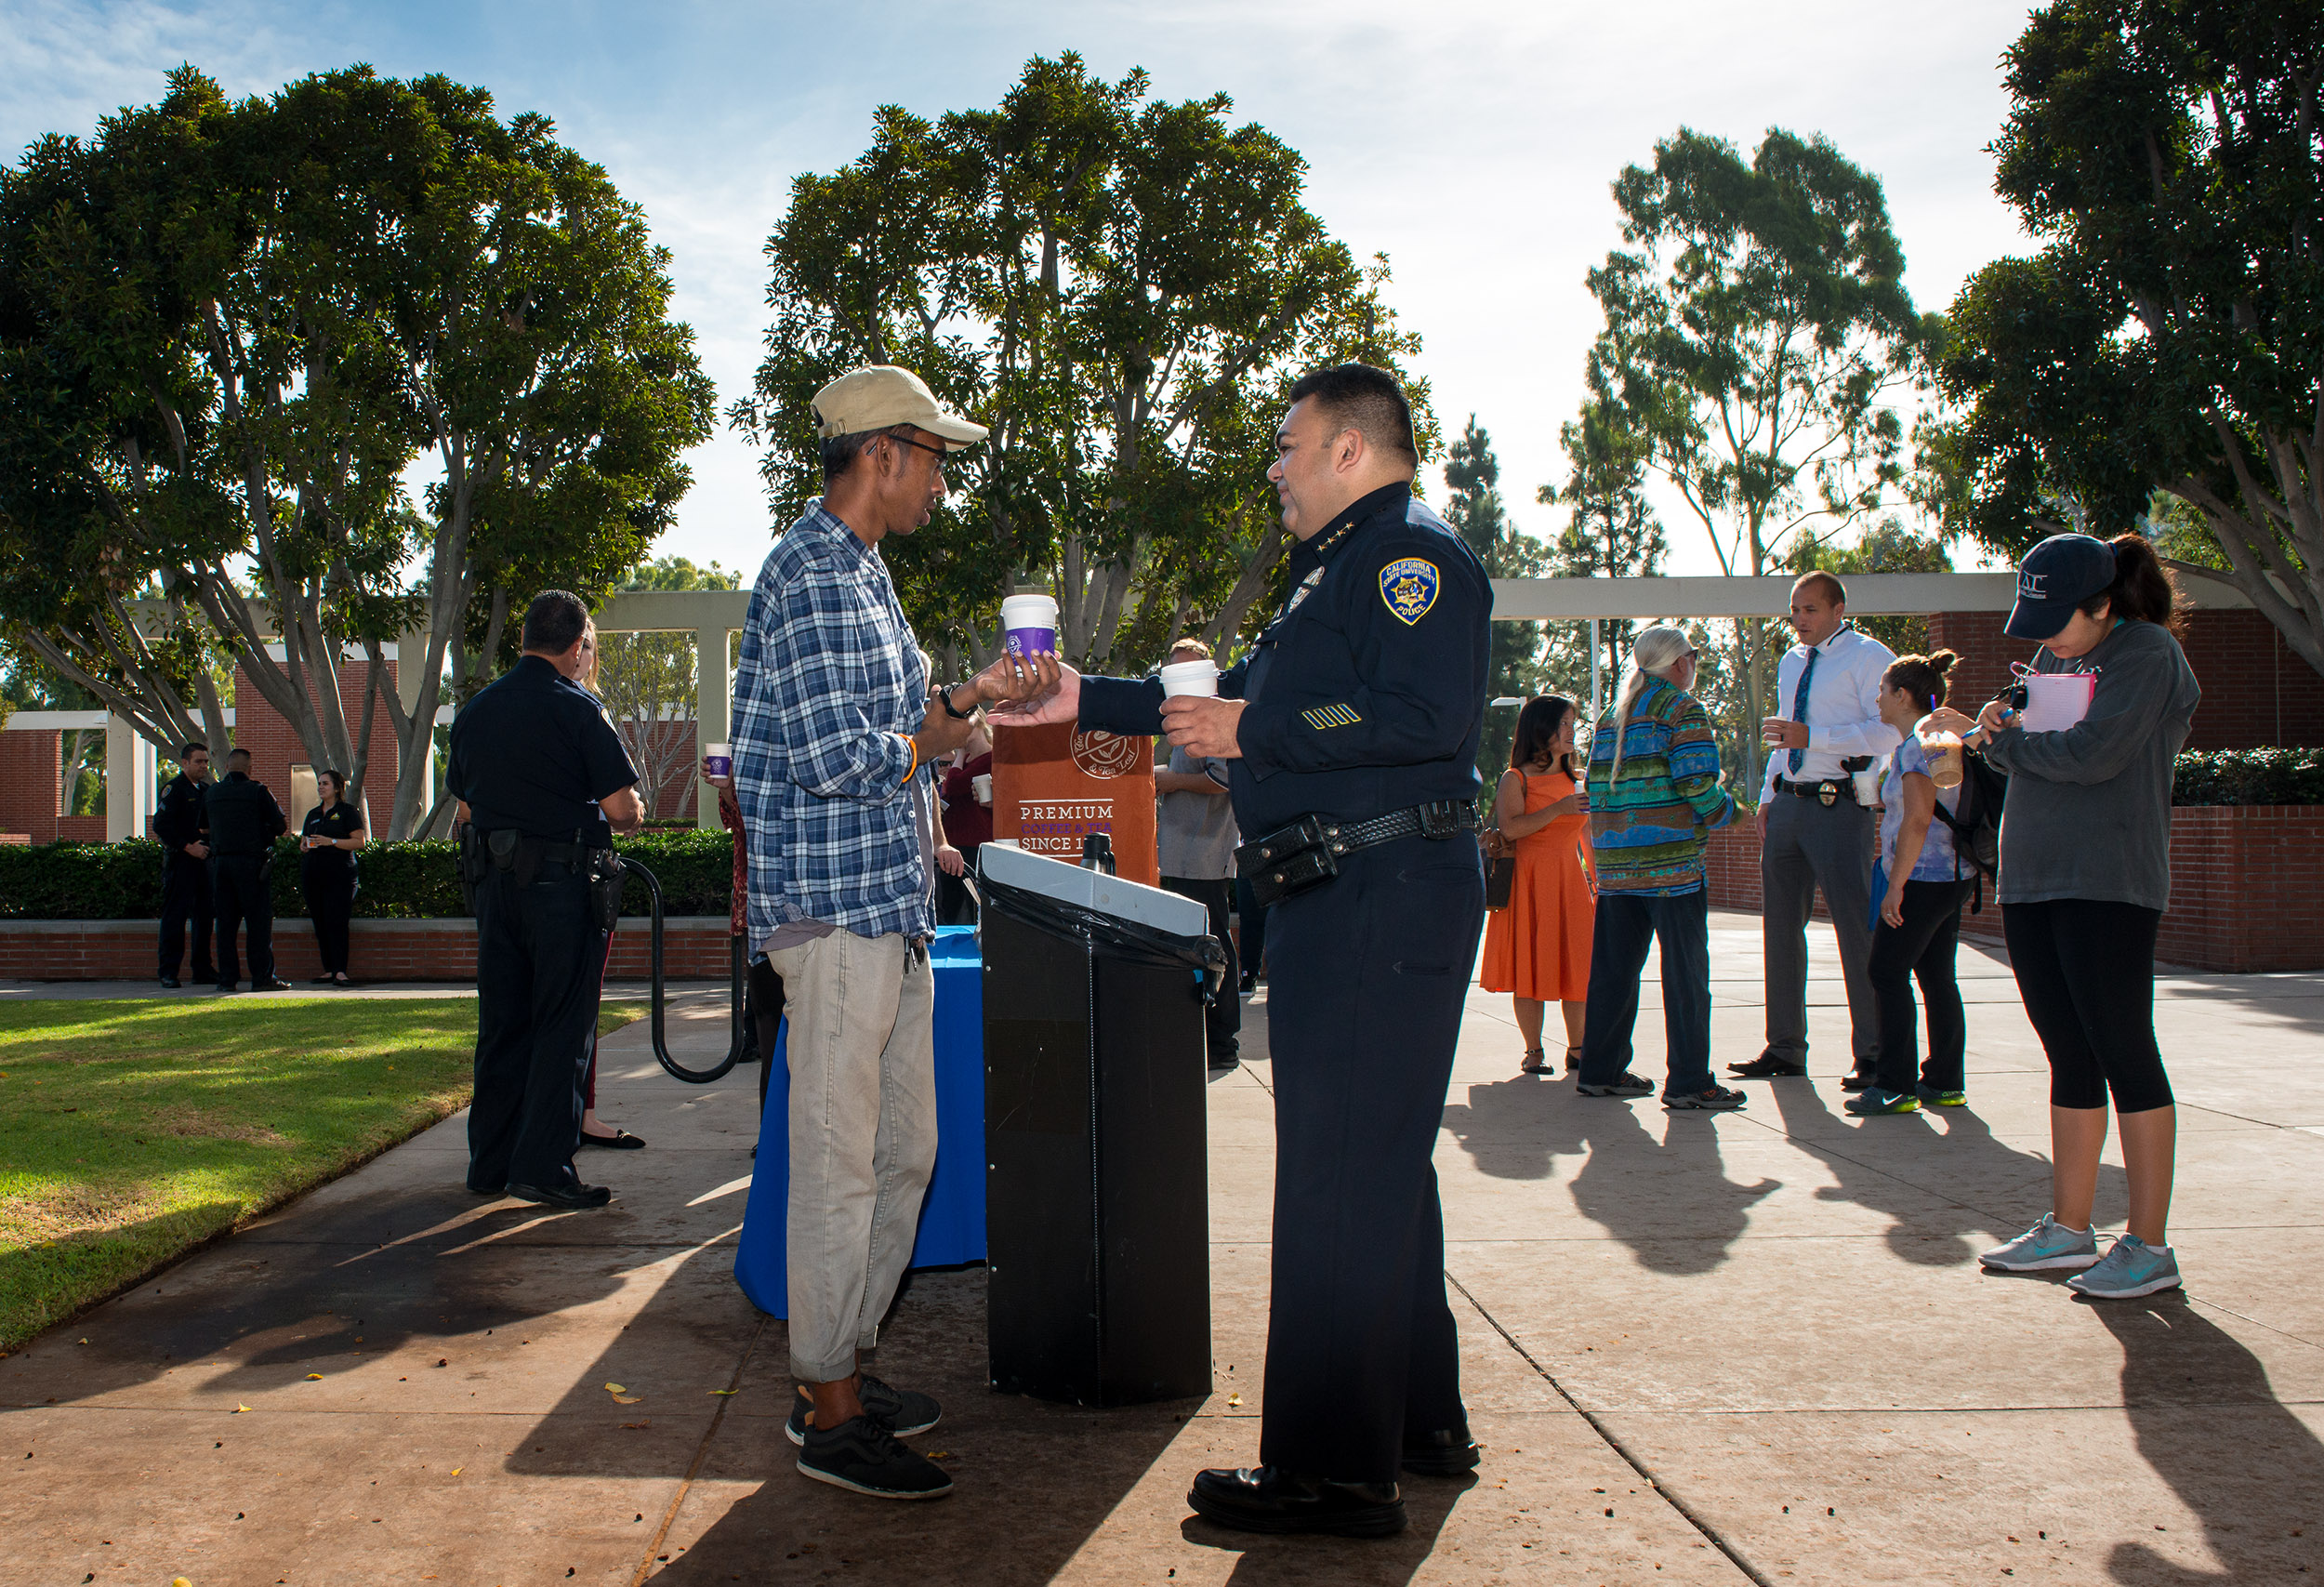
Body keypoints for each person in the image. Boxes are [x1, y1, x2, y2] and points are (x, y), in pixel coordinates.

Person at [1003, 363, 1491, 1539]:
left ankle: (1331, 1474)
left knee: (1338, 1176)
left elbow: (1426, 720)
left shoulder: (1409, 559)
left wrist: (1256, 725)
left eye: (1288, 444)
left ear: (1348, 449)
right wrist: (1082, 697)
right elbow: (1216, 711)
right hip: (1352, 887)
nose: (1273, 466)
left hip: (1380, 889)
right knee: (1374, 1170)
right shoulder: (1338, 567)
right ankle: (1416, 1422)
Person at [728, 364, 1041, 1503]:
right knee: (838, 1167)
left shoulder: (865, 574)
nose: (943, 483)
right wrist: (940, 728)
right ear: (881, 455)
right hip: (836, 917)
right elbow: (837, 757)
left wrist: (974, 702)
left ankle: (840, 1369)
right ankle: (828, 1409)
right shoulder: (809, 573)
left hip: (889, 910)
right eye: (935, 458)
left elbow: (909, 731)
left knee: (903, 1154)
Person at [1926, 532, 2199, 1301]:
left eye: (2056, 618)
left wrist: (2005, 747)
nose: (2042, 637)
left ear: (2103, 603)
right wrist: (1993, 725)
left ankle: (2149, 1243)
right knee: (2067, 1052)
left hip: (2109, 878)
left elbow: (2093, 754)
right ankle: (2069, 1228)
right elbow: (2033, 737)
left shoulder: (2145, 654)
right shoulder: (2055, 658)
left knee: (2123, 1048)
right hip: (2036, 878)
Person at [447, 589, 647, 1212]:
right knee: (563, 1024)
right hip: (560, 889)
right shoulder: (580, 710)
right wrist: (627, 812)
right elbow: (623, 810)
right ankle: (543, 1166)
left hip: (493, 885)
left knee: (503, 1024)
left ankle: (492, 1161)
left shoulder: (477, 710)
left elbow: (467, 808)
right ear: (578, 644)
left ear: (527, 635)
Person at [1735, 572, 1899, 1086]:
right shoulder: (1790, 661)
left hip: (1839, 806)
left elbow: (1892, 730)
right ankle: (1784, 1048)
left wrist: (1819, 737)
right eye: (1794, 609)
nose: (1799, 619)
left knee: (1855, 929)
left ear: (1838, 609)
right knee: (1780, 930)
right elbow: (1784, 729)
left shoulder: (1870, 657)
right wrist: (1767, 795)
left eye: (1809, 609)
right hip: (1788, 805)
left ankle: (1874, 1053)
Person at [1574, 628, 1746, 1111]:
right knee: (1686, 975)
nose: (1695, 663)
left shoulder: (1613, 715)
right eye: (1693, 656)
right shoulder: (1682, 709)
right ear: (1678, 663)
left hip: (1617, 868)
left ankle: (1600, 1071)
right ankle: (1690, 1081)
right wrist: (1730, 813)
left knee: (1613, 973)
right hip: (1672, 869)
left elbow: (1596, 791)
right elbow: (1697, 783)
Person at [1846, 652, 1975, 1118]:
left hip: (1922, 876)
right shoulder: (1937, 740)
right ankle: (1944, 1081)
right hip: (1952, 875)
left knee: (1885, 971)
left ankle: (1895, 1084)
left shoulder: (1919, 745)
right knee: (1937, 976)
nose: (1878, 699)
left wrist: (1895, 884)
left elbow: (1919, 818)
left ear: (1902, 695)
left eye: (1882, 691)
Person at [1477, 695, 1593, 1076]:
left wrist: (1599, 881)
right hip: (1527, 883)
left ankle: (1578, 1049)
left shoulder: (1578, 780)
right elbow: (1511, 828)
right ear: (1540, 729)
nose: (1570, 730)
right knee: (1530, 966)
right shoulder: (1517, 778)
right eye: (1562, 723)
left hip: (1570, 882)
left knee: (1575, 966)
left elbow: (1587, 835)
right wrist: (1558, 809)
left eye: (1572, 722)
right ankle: (1534, 1050)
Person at [1154, 637, 1243, 1072]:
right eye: (1174, 670)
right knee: (1198, 945)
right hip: (1179, 853)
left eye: (1189, 669)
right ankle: (1205, 1038)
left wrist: (1169, 782)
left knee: (1215, 945)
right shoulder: (1182, 719)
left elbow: (1224, 783)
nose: (1180, 679)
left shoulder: (1217, 718)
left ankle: (1222, 1043)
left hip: (1205, 851)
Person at [205, 747, 289, 993]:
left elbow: (203, 826)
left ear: (227, 767)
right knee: (258, 924)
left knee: (225, 925)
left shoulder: (212, 793)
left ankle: (227, 980)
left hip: (221, 865)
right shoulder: (258, 791)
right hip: (252, 865)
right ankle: (262, 978)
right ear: (250, 769)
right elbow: (279, 825)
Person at [154, 742, 215, 989]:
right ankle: (168, 972)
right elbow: (162, 826)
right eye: (199, 761)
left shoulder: (206, 790)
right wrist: (189, 846)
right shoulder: (174, 789)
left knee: (204, 917)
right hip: (181, 862)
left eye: (206, 762)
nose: (203, 766)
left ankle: (202, 970)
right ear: (185, 763)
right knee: (175, 918)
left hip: (204, 863)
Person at [297, 769, 365, 987]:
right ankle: (328, 969)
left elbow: (359, 842)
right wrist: (305, 845)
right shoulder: (313, 814)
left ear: (337, 788)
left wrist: (332, 842)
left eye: (325, 783)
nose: (320, 787)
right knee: (320, 923)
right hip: (314, 876)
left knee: (337, 922)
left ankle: (340, 971)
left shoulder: (347, 812)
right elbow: (305, 840)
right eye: (319, 783)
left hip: (340, 877)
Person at [934, 713, 992, 926]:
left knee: (972, 903)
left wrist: (959, 754)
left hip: (975, 843)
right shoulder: (966, 762)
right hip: (955, 842)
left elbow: (956, 784)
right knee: (950, 904)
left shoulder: (989, 758)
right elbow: (950, 791)